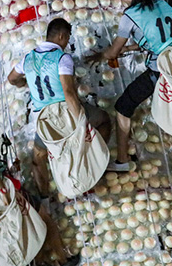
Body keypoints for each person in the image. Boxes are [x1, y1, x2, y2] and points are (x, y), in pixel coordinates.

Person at [86, 0, 172, 172]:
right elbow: (161, 37)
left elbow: (113, 52)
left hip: (162, 70)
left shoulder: (131, 15)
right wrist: (132, 48)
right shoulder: (164, 5)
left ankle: (123, 160)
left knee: (123, 106)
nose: (122, 1)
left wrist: (101, 55)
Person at [7, 18, 111, 193]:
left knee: (38, 155)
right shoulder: (62, 58)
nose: (67, 42)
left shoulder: (28, 58)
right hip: (63, 111)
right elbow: (68, 93)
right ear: (62, 36)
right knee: (104, 120)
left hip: (44, 118)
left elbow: (11, 79)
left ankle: (46, 199)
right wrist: (81, 122)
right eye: (68, 38)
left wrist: (24, 84)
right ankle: (92, 168)